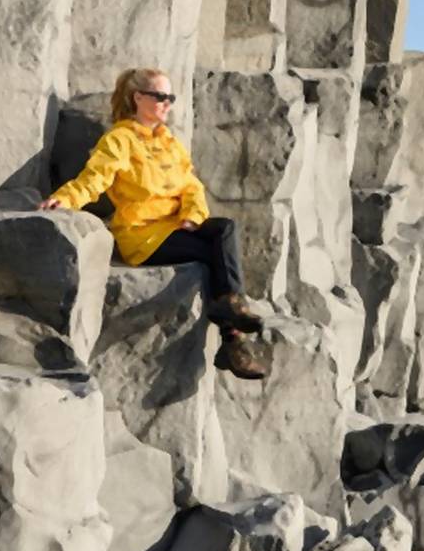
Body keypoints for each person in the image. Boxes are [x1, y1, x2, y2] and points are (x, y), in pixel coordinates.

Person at [40, 67, 266, 379]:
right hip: (143, 236)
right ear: (138, 98)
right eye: (161, 96)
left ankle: (232, 310)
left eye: (170, 97)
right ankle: (233, 341)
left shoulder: (168, 142)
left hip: (174, 226)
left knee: (224, 228)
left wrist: (192, 215)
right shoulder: (119, 140)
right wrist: (66, 199)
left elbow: (192, 186)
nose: (167, 103)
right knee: (213, 257)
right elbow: (95, 178)